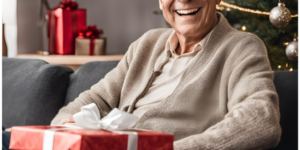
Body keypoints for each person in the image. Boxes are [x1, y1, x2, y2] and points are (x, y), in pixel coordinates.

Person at [51, 0, 281, 149]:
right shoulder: (148, 43)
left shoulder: (241, 47)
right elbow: (93, 99)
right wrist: (66, 129)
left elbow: (260, 120)